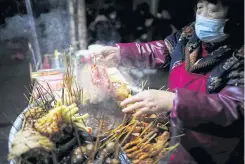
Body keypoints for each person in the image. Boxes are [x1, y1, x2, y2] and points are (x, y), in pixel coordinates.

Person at [94, 0, 244, 163]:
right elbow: (162, 49)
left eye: (213, 10)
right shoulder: (189, 34)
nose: (203, 16)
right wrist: (121, 53)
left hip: (212, 150)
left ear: (234, 12)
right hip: (175, 133)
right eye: (200, 7)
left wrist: (174, 101)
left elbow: (236, 107)